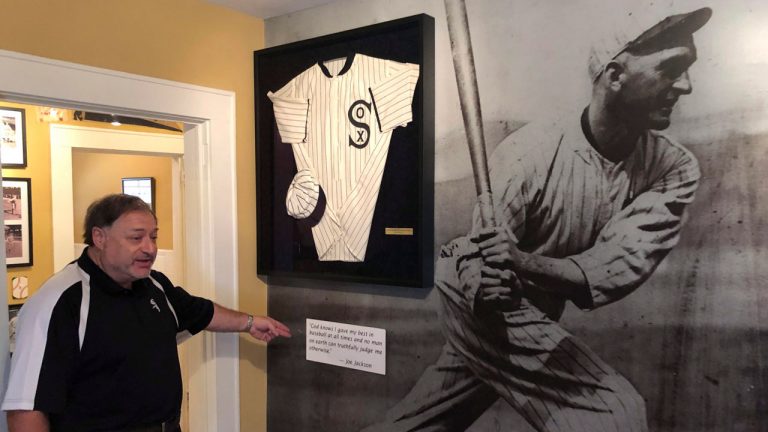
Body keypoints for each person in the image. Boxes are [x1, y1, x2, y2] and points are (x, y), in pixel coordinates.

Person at [365, 6, 711, 432]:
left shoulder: (672, 168)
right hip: (475, 296)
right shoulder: (528, 154)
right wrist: (490, 281)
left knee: (429, 416)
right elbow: (479, 258)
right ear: (615, 75)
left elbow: (615, 266)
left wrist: (521, 265)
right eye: (671, 68)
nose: (686, 85)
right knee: (612, 412)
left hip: (536, 304)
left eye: (687, 68)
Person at [2, 194, 292, 432]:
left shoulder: (154, 285)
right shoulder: (60, 301)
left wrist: (251, 322)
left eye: (153, 237)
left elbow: (200, 312)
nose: (149, 249)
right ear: (99, 237)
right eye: (136, 238)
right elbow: (26, 409)